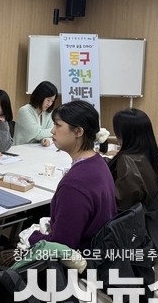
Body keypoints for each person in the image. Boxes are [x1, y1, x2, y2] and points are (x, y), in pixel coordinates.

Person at [28, 100, 116, 251]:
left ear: (78, 132)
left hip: (79, 258)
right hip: (98, 250)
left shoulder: (74, 184)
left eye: (58, 125)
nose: (52, 131)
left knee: (1, 256)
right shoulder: (97, 162)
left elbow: (61, 245)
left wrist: (31, 236)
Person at [107, 108, 158, 211]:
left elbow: (123, 204)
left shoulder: (126, 161)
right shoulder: (153, 153)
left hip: (133, 217)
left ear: (123, 134)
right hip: (155, 212)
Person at [13, 81, 58, 146]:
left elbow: (52, 135)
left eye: (52, 101)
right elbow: (38, 134)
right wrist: (56, 130)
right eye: (48, 100)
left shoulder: (49, 113)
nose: (50, 104)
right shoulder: (24, 111)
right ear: (40, 96)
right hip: (21, 149)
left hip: (39, 149)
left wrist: (47, 139)